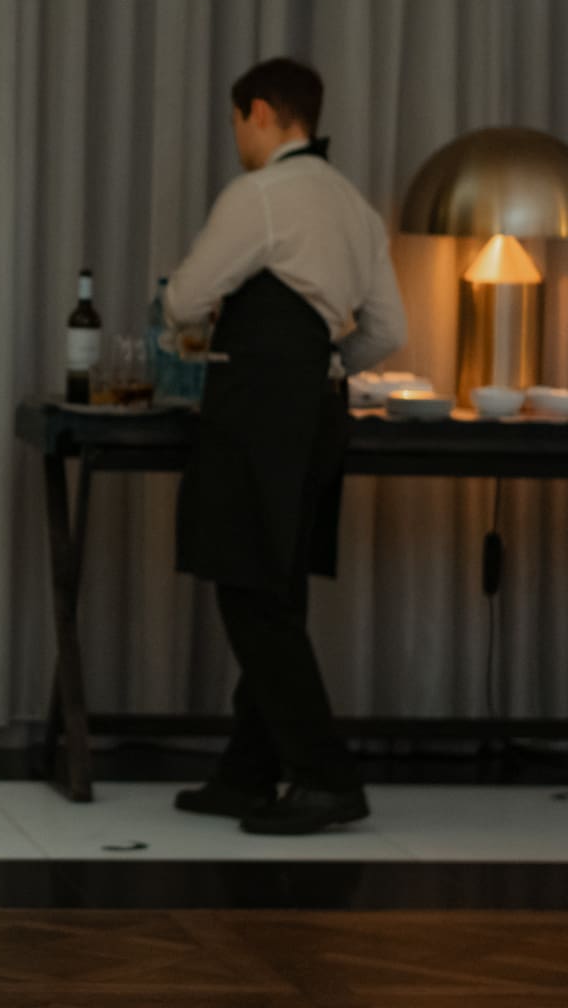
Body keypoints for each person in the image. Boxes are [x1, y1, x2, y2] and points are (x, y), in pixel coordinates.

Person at [163, 57, 406, 836]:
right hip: (319, 410)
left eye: (237, 121)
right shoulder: (355, 205)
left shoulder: (261, 195)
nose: (237, 137)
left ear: (261, 113)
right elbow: (388, 330)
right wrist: (323, 364)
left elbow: (186, 299)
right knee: (277, 585)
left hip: (258, 409)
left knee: (251, 593)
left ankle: (326, 777)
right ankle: (248, 772)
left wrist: (195, 329)